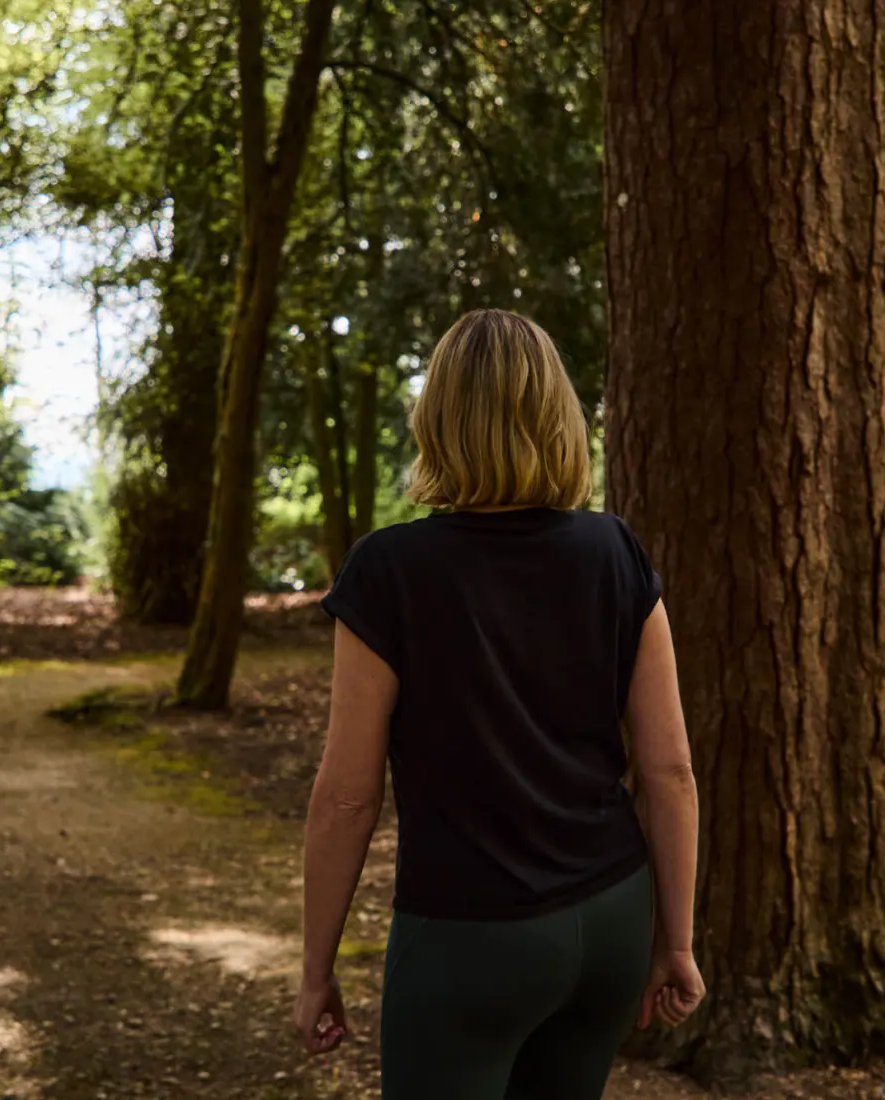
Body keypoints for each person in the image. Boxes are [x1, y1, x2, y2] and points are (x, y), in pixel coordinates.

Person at [292, 308, 704, 1099]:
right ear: (558, 419)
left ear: (438, 421)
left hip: (467, 940)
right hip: (610, 920)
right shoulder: (615, 551)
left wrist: (316, 970)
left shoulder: (389, 572)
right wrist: (675, 942)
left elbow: (346, 798)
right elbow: (671, 770)